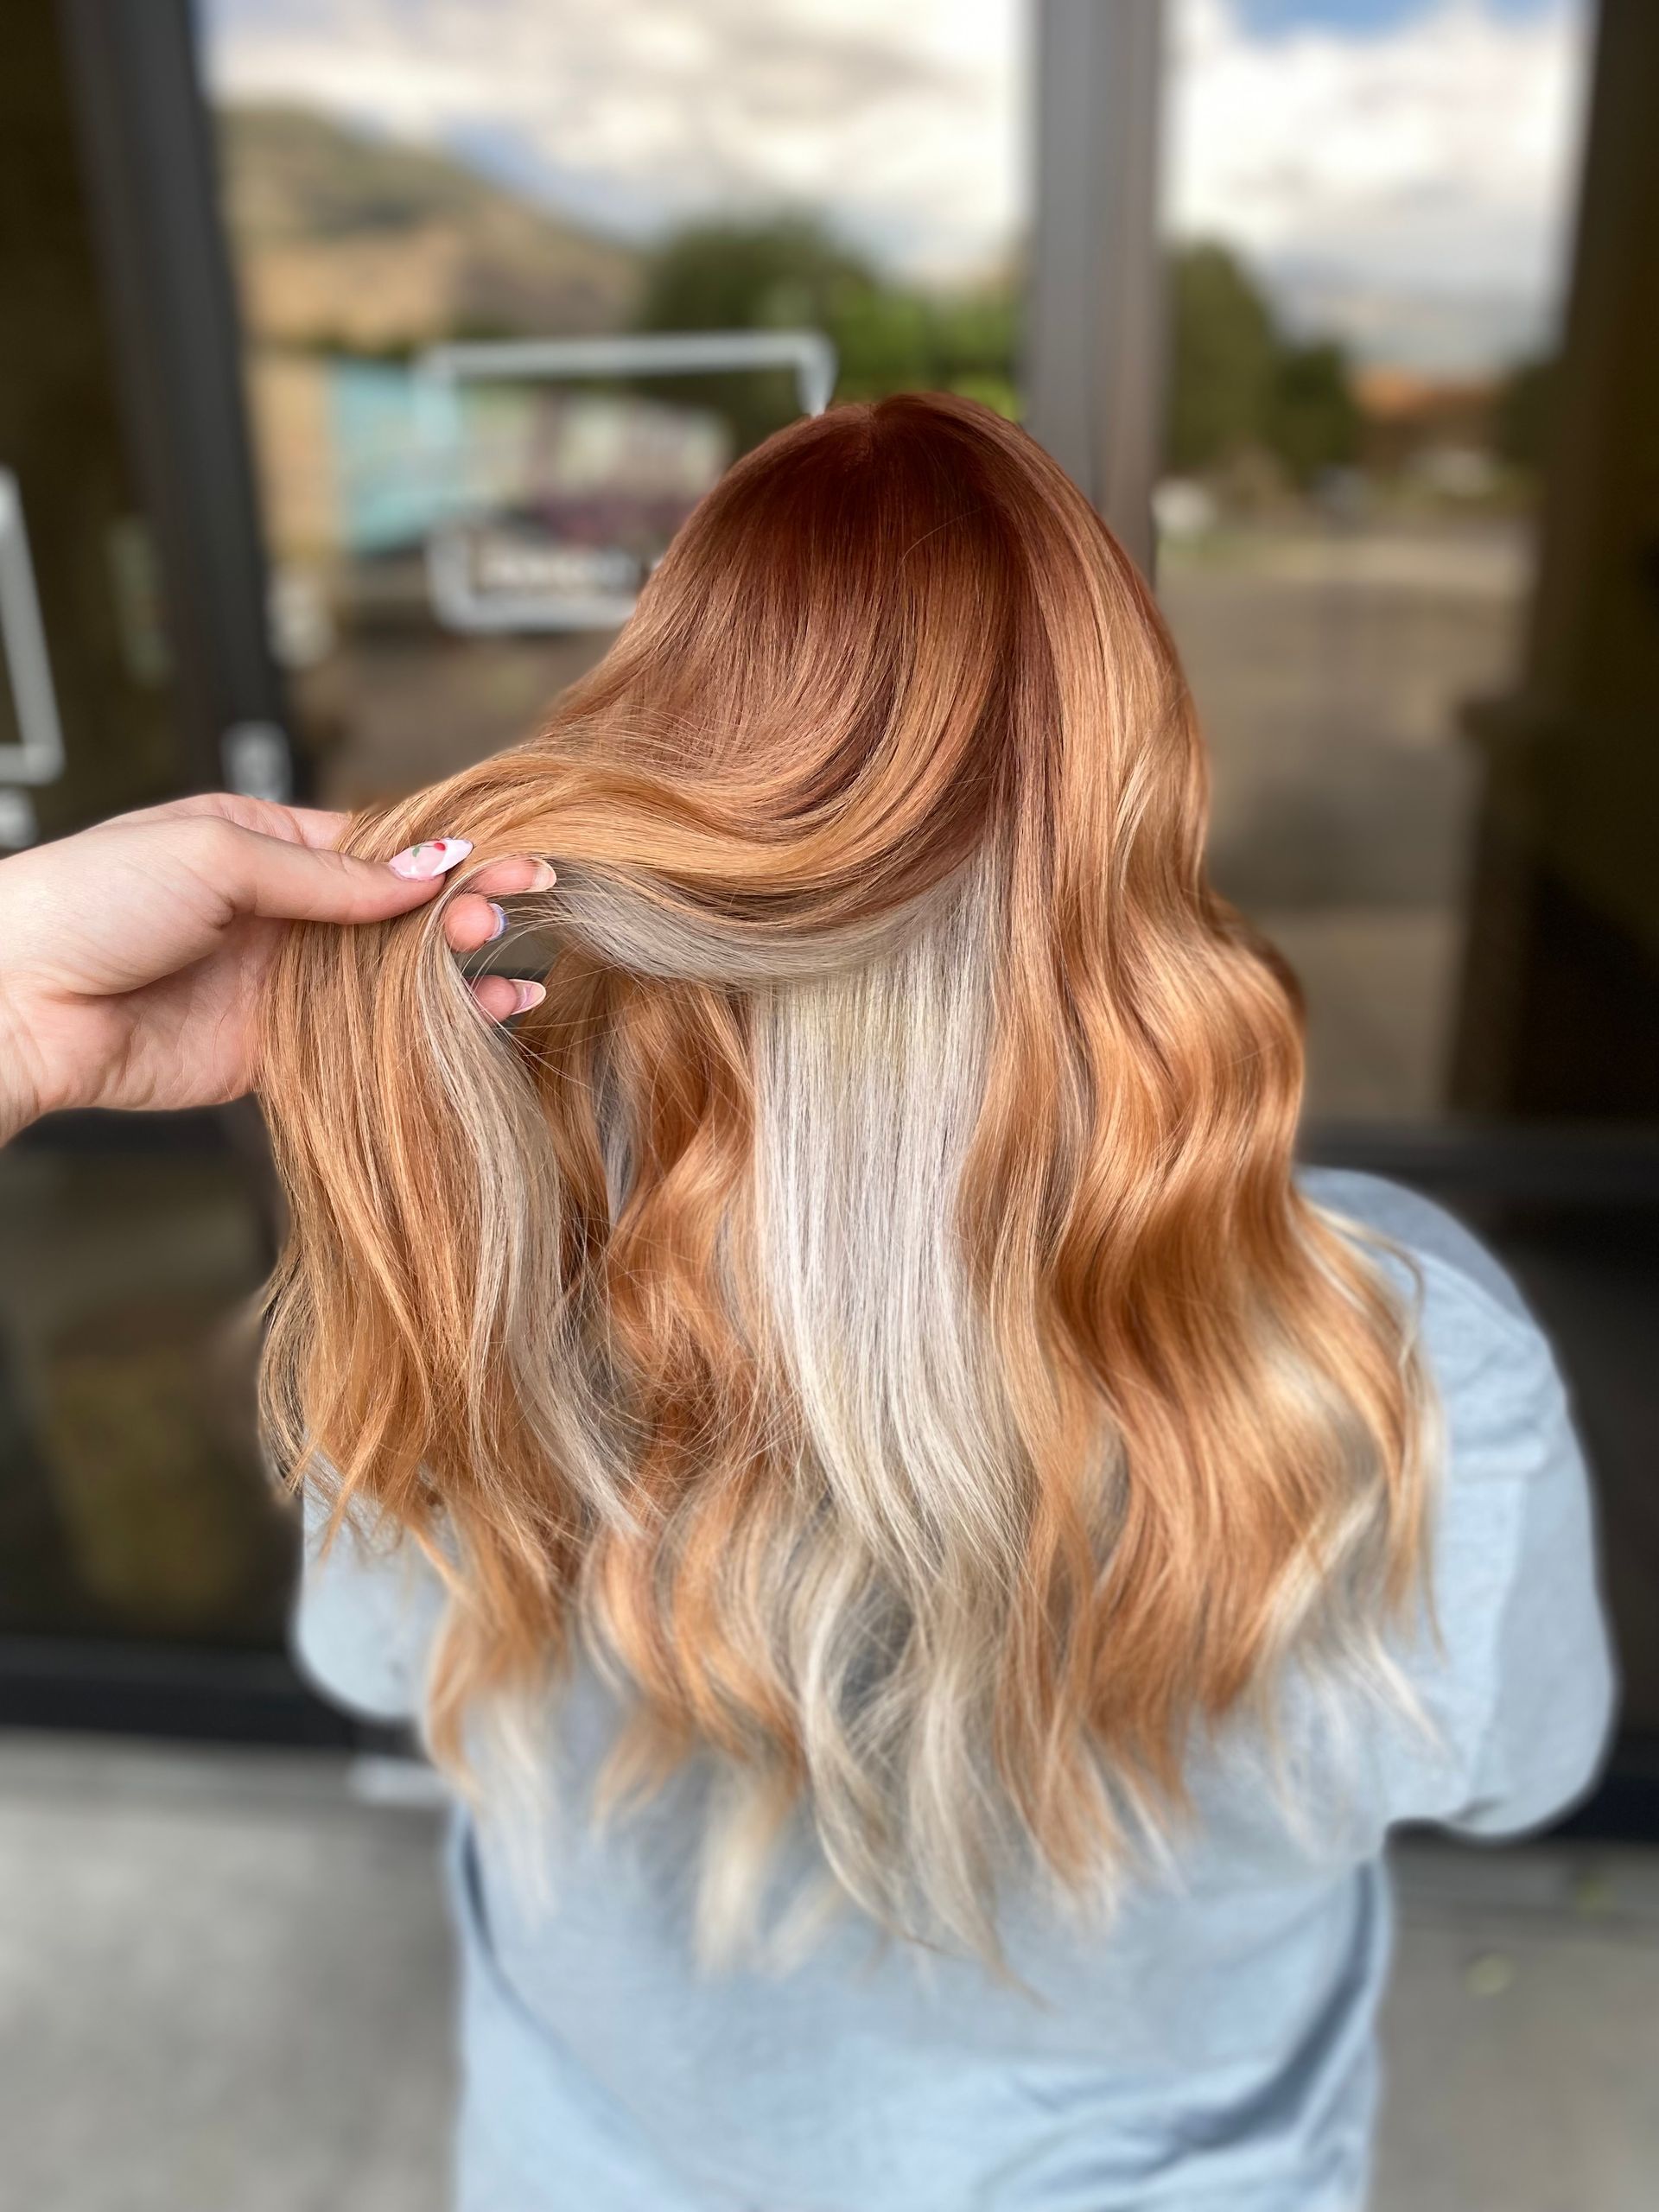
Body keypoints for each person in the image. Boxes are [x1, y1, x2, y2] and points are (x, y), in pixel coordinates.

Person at [0, 397, 1614, 2212]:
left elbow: (374, 1662)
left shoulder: (487, 1268)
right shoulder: (1411, 1360)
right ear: (1132, 810)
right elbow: (1517, 1767)